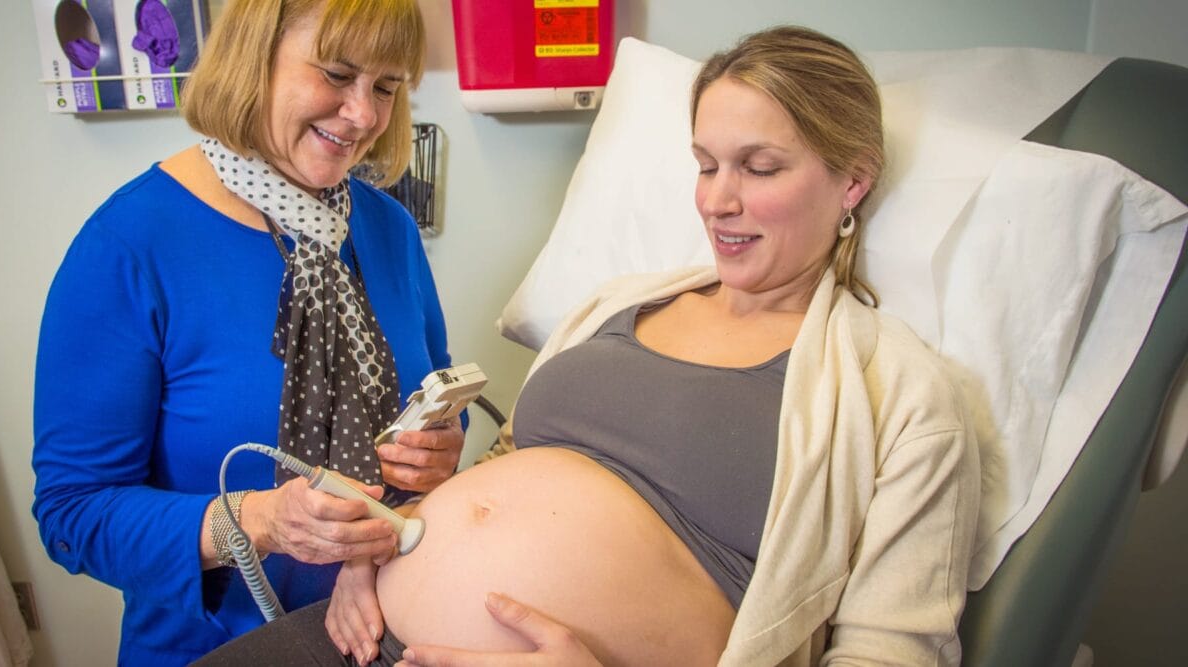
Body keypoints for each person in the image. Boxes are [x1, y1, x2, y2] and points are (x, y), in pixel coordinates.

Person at [197, 25, 981, 667]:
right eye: (706, 165)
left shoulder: (899, 393)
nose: (719, 199)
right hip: (363, 633)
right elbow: (510, 475)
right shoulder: (619, 303)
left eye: (760, 166)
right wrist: (382, 543)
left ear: (852, 181)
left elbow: (889, 654)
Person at [30, 1, 465, 665]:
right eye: (337, 74)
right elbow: (71, 515)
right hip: (215, 646)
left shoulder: (387, 230)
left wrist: (436, 455)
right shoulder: (130, 246)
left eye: (386, 87)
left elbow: (426, 403)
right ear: (253, 59)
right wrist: (256, 520)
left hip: (387, 633)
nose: (365, 115)